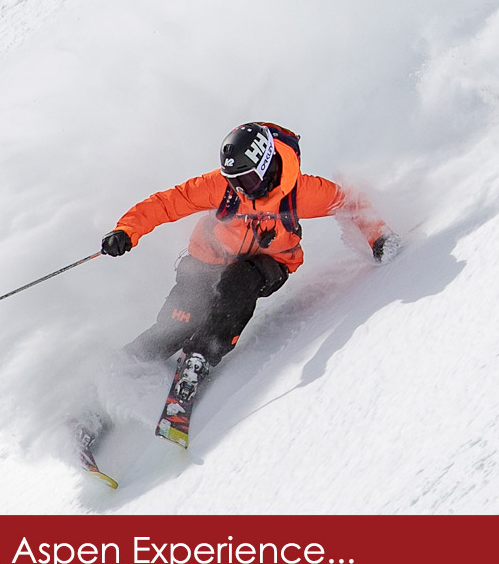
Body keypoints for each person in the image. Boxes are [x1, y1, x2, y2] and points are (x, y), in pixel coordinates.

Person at [101, 121, 403, 401]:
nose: (240, 187)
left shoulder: (299, 192)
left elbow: (349, 202)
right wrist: (127, 230)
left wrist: (379, 237)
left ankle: (201, 356)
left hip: (267, 263)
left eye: (246, 178)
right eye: (233, 180)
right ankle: (117, 372)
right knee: (178, 322)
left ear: (266, 164)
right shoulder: (221, 187)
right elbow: (168, 203)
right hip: (209, 258)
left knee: (238, 282)